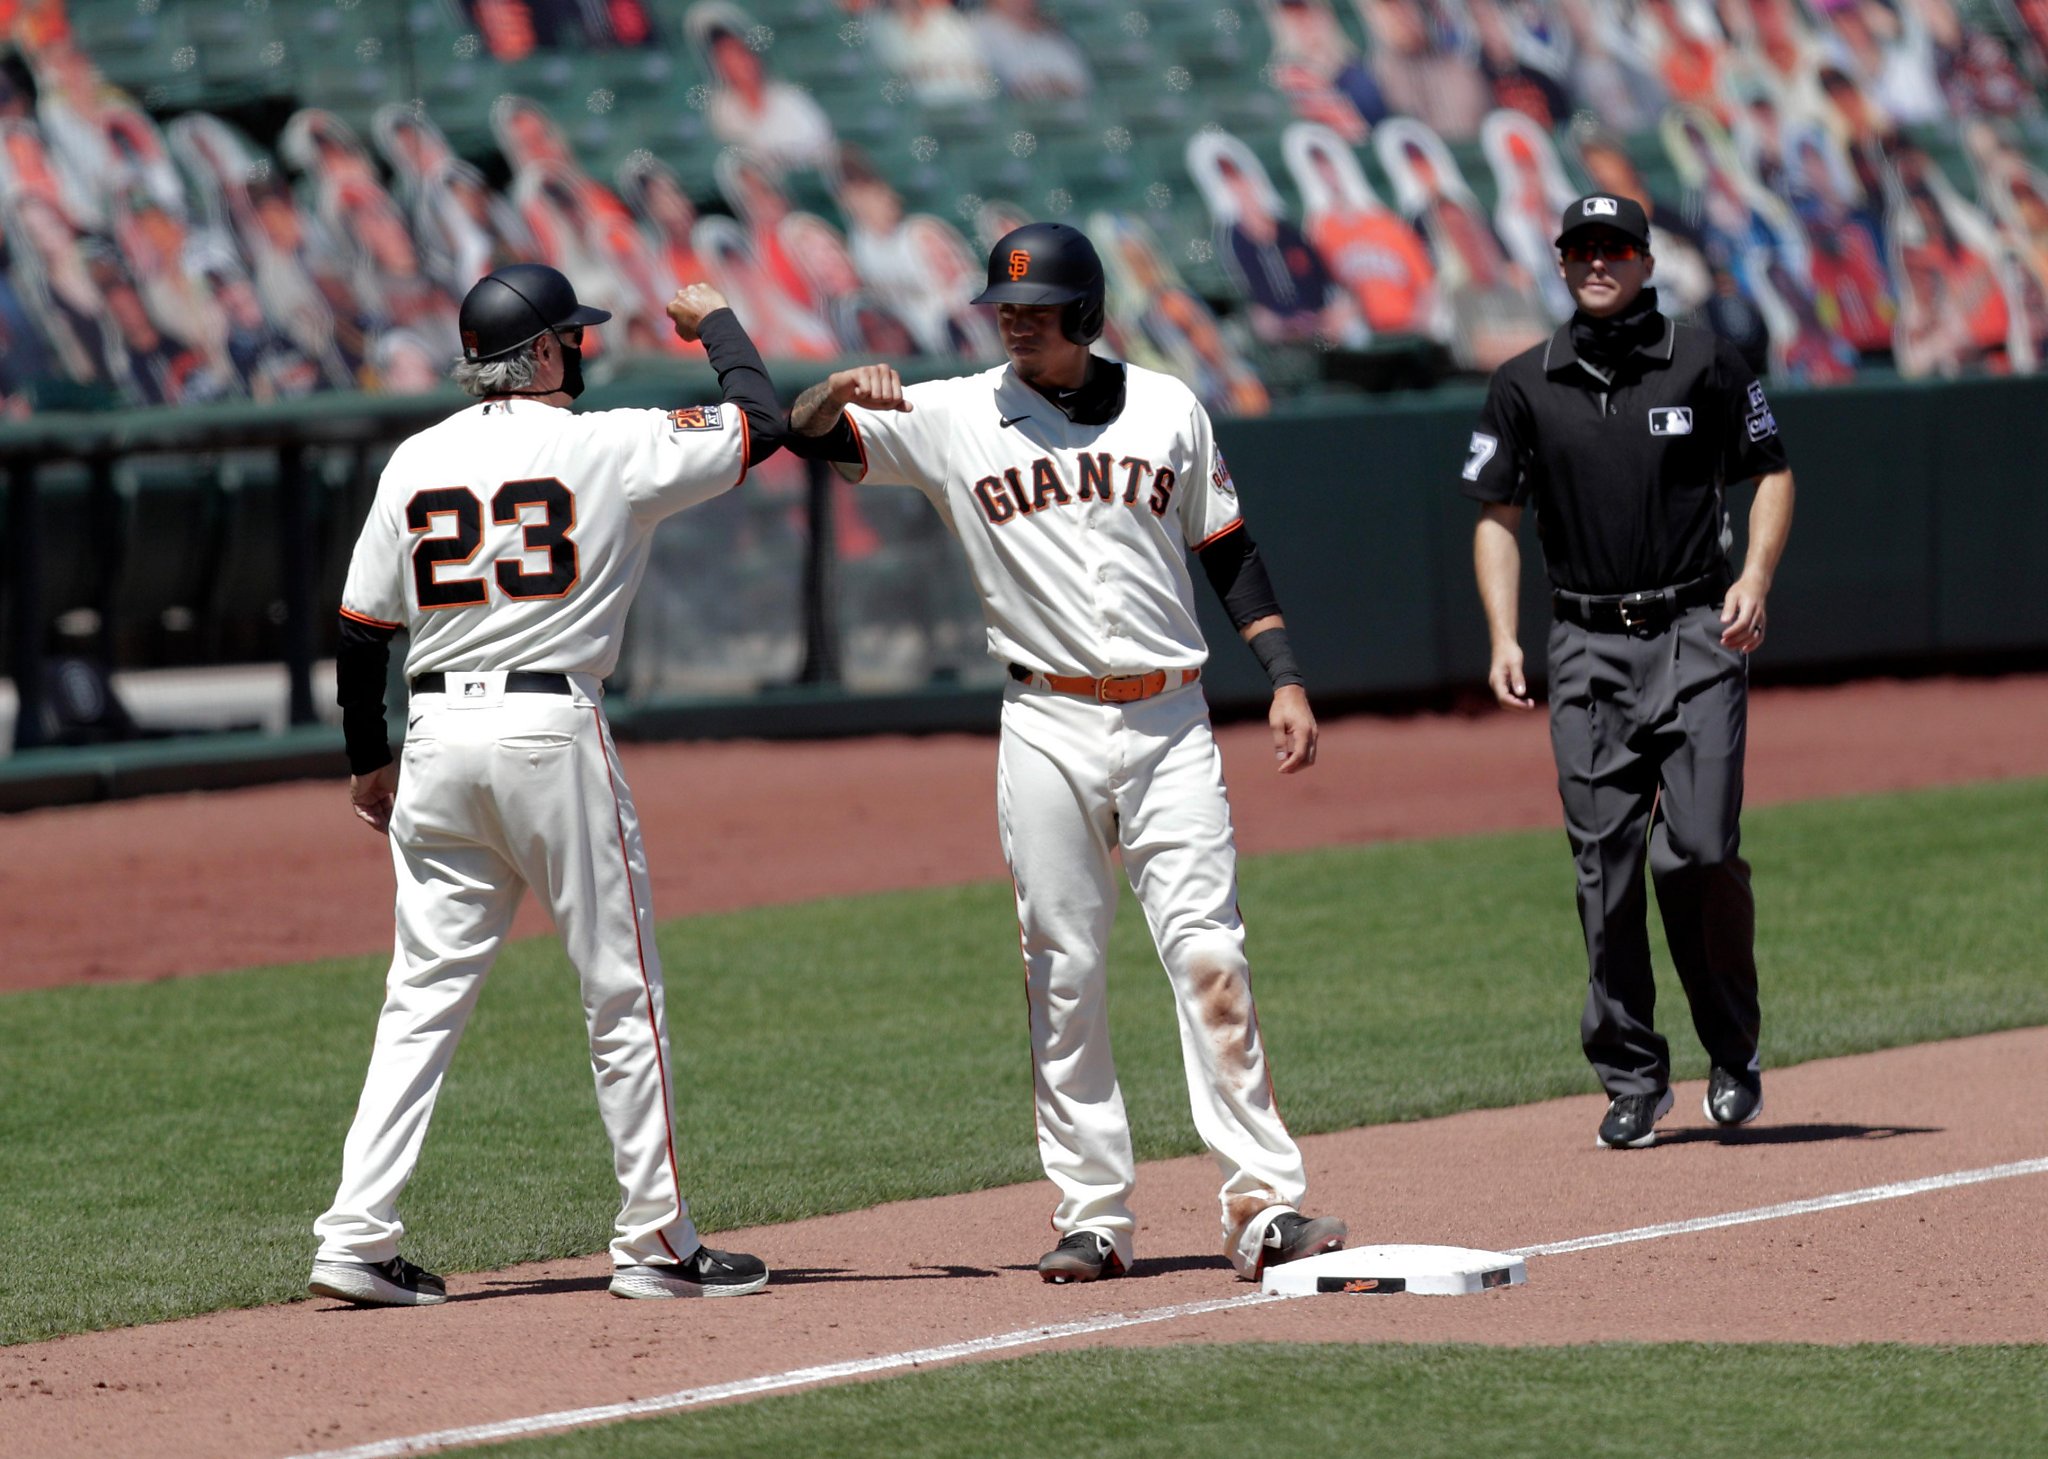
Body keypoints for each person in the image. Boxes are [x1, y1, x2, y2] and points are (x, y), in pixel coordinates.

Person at [781, 222, 1348, 1284]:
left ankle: (1264, 1204)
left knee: (1209, 955)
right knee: (1062, 967)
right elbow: (805, 435)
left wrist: (1282, 675)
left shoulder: (1168, 404)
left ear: (1086, 316)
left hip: (1170, 718)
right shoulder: (954, 411)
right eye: (1003, 312)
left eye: (1034, 315)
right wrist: (828, 390)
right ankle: (1094, 1213)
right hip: (1043, 724)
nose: (1013, 327)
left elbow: (1225, 548)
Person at [310, 264, 784, 1305]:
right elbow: (760, 420)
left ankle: (354, 1234)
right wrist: (719, 325)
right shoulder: (603, 443)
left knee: (419, 999)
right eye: (570, 337)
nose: (583, 349)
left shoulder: (414, 458)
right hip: (546, 729)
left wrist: (366, 756)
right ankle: (655, 1241)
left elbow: (360, 629)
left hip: (434, 734)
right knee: (621, 992)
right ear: (539, 355)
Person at [1461, 195, 1795, 1150]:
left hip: (1696, 627)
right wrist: (1503, 636)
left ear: (1647, 262)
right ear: (1562, 265)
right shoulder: (1524, 382)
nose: (1597, 262)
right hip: (1585, 646)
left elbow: (1771, 467)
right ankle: (1634, 1075)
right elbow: (1494, 513)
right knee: (1603, 869)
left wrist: (1757, 578)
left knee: (1696, 850)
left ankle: (1733, 1052)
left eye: (1615, 248)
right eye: (1581, 249)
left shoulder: (1705, 359)